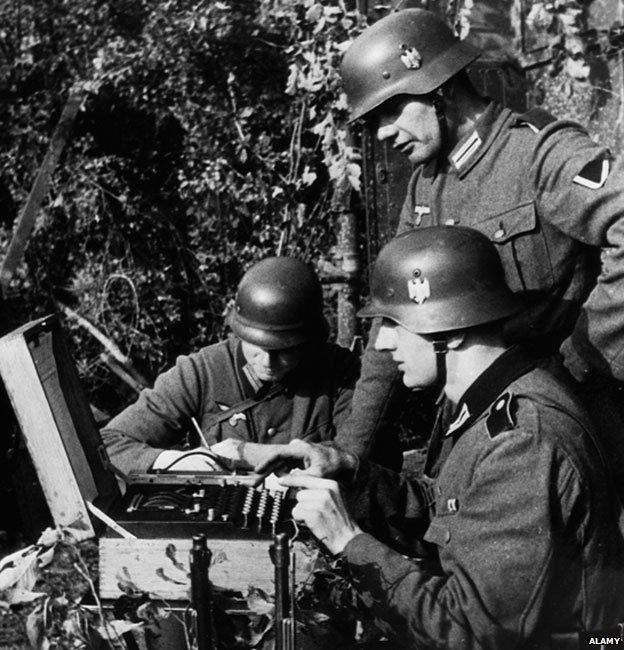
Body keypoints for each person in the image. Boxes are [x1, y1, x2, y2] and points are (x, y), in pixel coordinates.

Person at [265, 226, 624, 648]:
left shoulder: (523, 441)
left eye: (395, 323)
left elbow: (469, 632)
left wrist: (349, 541)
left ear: (450, 332)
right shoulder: (498, 400)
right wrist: (350, 474)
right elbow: (454, 505)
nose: (382, 340)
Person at [337, 8, 624, 490]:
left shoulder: (540, 156)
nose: (382, 133)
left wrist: (584, 351)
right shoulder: (423, 189)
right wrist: (350, 454)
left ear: (441, 88)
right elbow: (398, 320)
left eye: (390, 110)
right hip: (481, 430)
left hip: (574, 425)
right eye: (372, 120)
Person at [101, 256, 359, 476]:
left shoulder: (340, 372)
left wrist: (248, 454)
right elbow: (110, 443)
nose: (267, 362)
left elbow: (361, 461)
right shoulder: (201, 372)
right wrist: (177, 461)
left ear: (307, 340)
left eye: (284, 351)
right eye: (257, 346)